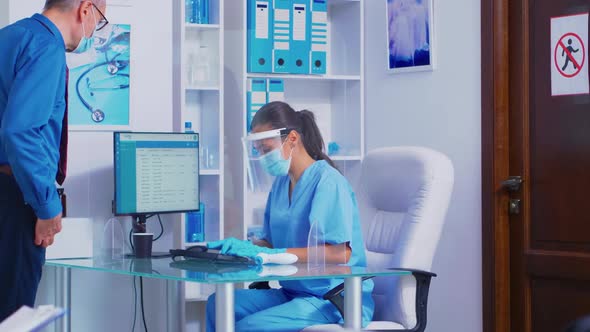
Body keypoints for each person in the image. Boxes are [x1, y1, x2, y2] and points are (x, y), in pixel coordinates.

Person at [205, 101, 374, 331]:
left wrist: (269, 254)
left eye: (266, 150)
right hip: (293, 292)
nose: (262, 157)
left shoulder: (328, 182)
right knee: (219, 305)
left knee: (249, 326)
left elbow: (340, 253)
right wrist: (242, 249)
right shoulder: (281, 184)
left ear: (292, 139)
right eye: (259, 151)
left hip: (331, 298)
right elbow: (270, 242)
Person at [0, 0, 108, 321]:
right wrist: (47, 207)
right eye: (99, 21)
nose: (94, 32)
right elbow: (21, 131)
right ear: (85, 9)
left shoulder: (9, 37)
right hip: (16, 197)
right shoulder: (47, 47)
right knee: (13, 318)